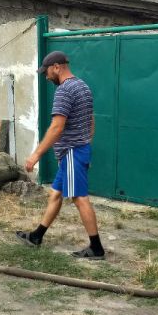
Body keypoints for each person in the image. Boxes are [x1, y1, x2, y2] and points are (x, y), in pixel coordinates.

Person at [16, 51, 105, 260]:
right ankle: (37, 236)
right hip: (76, 152)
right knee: (55, 194)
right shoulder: (83, 86)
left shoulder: (64, 91)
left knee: (79, 198)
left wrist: (35, 155)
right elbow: (90, 121)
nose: (46, 77)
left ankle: (97, 248)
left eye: (47, 72)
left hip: (72, 152)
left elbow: (57, 127)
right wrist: (86, 145)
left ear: (57, 67)